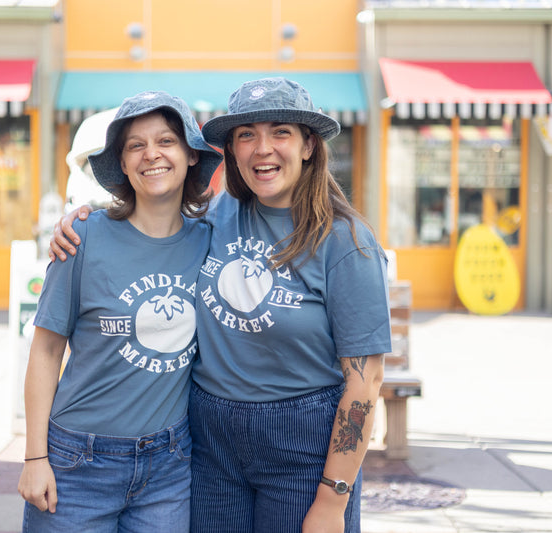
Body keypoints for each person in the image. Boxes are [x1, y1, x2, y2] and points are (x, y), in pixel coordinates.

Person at [51, 77, 391, 533]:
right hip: (210, 444)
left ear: (309, 145)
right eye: (246, 134)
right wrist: (84, 217)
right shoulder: (215, 214)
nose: (262, 149)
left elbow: (365, 381)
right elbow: (151, 219)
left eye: (280, 132)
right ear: (230, 150)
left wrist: (333, 498)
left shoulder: (346, 242)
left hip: (301, 449)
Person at [18, 91, 222, 532]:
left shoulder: (211, 241)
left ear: (190, 155)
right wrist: (35, 457)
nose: (152, 154)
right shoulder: (83, 237)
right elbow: (47, 351)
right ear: (124, 165)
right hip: (77, 461)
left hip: (169, 466)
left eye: (166, 141)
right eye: (136, 145)